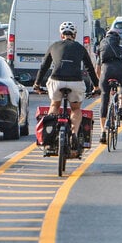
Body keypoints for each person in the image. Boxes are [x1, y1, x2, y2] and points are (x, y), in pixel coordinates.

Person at [33, 22, 101, 155]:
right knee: (75, 109)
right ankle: (74, 133)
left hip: (56, 81)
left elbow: (44, 67)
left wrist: (37, 84)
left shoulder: (54, 46)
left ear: (61, 35)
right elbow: (90, 68)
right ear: (74, 35)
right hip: (75, 82)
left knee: (54, 105)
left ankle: (52, 134)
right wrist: (96, 86)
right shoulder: (80, 48)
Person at [95, 29, 122, 144]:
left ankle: (103, 131)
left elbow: (97, 68)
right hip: (120, 71)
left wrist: (99, 82)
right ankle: (121, 108)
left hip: (106, 72)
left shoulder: (102, 48)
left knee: (104, 100)